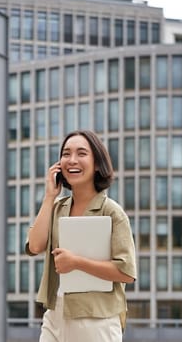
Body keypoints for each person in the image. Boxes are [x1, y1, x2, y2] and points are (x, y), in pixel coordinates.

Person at [25, 130, 136, 342]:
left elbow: (126, 272)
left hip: (96, 319)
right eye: (66, 154)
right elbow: (35, 245)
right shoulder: (57, 208)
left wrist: (76, 262)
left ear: (96, 164)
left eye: (81, 153)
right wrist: (49, 196)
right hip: (55, 314)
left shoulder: (112, 212)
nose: (72, 160)